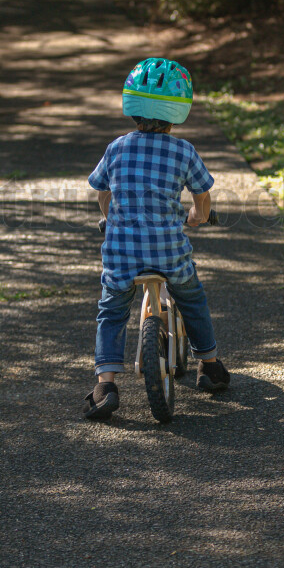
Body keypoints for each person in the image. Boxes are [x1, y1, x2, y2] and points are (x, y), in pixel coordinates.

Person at [83, 57, 230, 420]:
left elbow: (102, 193)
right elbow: (202, 198)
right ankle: (209, 366)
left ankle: (105, 385)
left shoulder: (116, 147)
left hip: (121, 254)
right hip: (168, 251)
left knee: (112, 310)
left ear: (131, 105)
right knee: (192, 298)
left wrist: (109, 219)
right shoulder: (183, 151)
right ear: (178, 110)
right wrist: (196, 217)